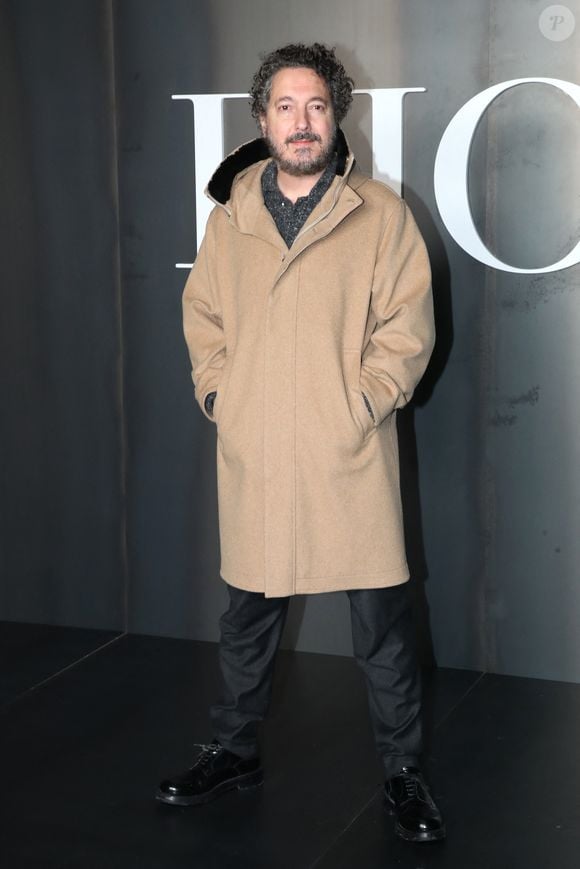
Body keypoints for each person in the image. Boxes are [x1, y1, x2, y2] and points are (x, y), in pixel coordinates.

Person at [157, 43, 445, 843]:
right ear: (261, 119)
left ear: (336, 113)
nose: (301, 121)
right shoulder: (230, 218)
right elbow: (202, 317)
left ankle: (404, 774)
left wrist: (363, 401)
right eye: (284, 106)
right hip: (258, 452)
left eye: (316, 105)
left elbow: (407, 330)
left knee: (382, 626)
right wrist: (223, 393)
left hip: (347, 453)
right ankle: (233, 749)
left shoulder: (379, 214)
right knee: (246, 617)